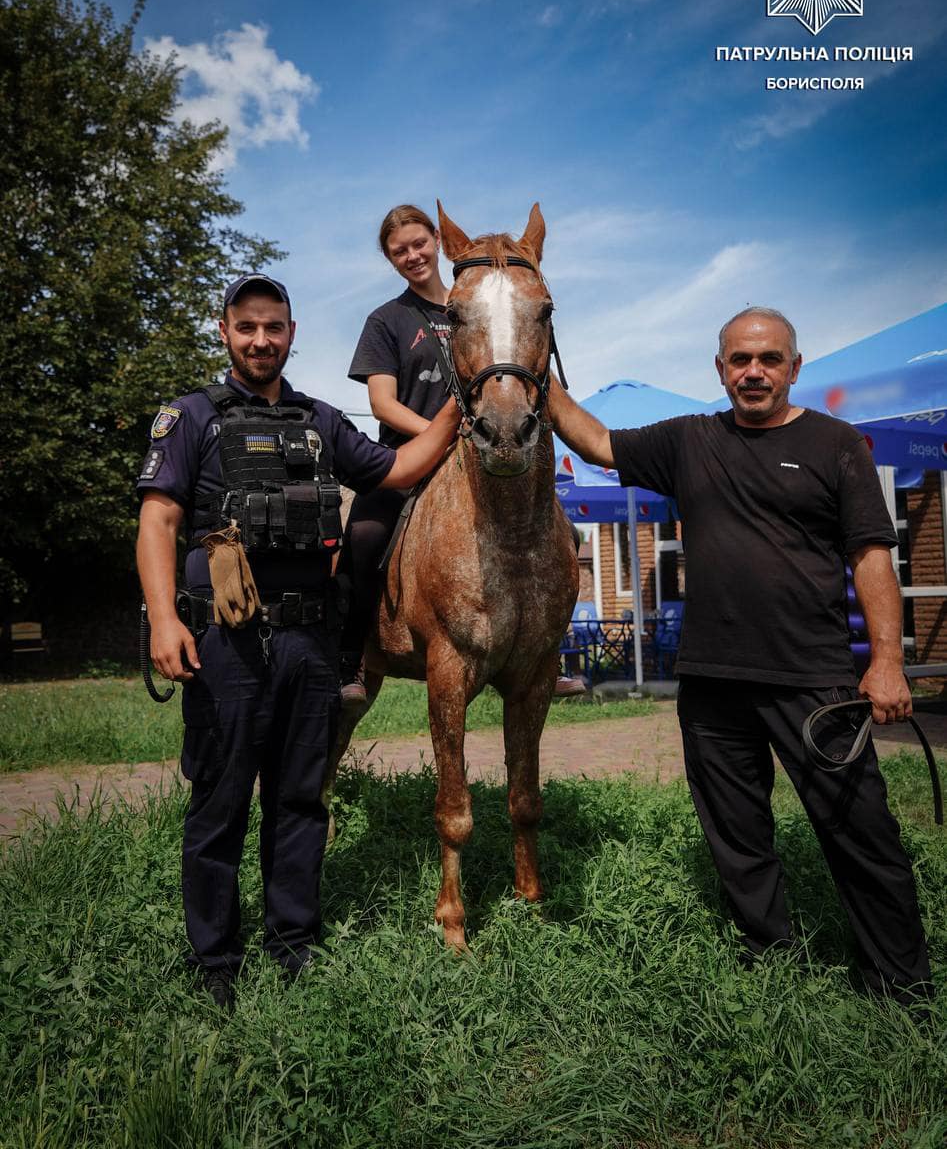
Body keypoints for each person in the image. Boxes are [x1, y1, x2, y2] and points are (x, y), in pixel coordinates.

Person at [547, 306, 933, 1005]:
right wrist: (530, 363)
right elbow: (597, 440)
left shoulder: (836, 443)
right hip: (712, 677)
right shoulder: (690, 440)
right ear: (719, 368)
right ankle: (770, 964)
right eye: (738, 360)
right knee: (735, 834)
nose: (753, 372)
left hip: (812, 678)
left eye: (768, 359)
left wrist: (885, 660)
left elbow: (871, 556)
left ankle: (900, 986)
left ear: (793, 367)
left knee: (860, 833)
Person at [136, 273, 458, 1009]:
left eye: (273, 327)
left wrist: (458, 411)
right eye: (246, 327)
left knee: (300, 801)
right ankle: (215, 959)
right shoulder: (190, 417)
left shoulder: (320, 420)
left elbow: (399, 468)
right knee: (219, 804)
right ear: (224, 332)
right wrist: (163, 618)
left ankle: (292, 944)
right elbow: (157, 521)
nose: (260, 340)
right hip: (225, 641)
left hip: (310, 644)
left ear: (291, 332)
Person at [338, 203, 584, 703]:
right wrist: (439, 433)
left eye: (418, 243)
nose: (412, 256)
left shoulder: (485, 300)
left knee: (566, 535)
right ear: (389, 259)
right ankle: (352, 661)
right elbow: (382, 403)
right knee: (362, 538)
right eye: (398, 251)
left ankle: (544, 655)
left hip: (487, 453)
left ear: (437, 240)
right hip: (408, 460)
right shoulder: (386, 321)